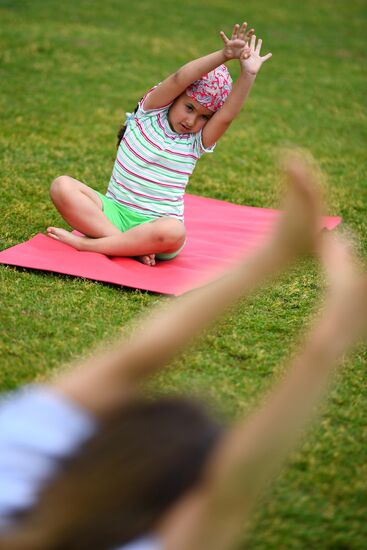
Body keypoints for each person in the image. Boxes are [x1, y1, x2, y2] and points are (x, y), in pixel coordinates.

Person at [1, 155, 366, 550]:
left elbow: (132, 359)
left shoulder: (13, 460)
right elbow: (232, 493)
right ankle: (111, 244)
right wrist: (327, 340)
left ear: (92, 447)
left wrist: (273, 256)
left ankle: (102, 244)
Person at [46, 23, 272, 266]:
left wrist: (248, 74)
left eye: (204, 117)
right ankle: (127, 245)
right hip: (112, 214)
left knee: (175, 232)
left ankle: (88, 244)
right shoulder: (149, 112)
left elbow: (226, 117)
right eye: (189, 108)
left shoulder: (196, 141)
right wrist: (224, 55)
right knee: (62, 186)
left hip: (155, 228)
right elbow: (179, 77)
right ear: (175, 97)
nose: (191, 120)